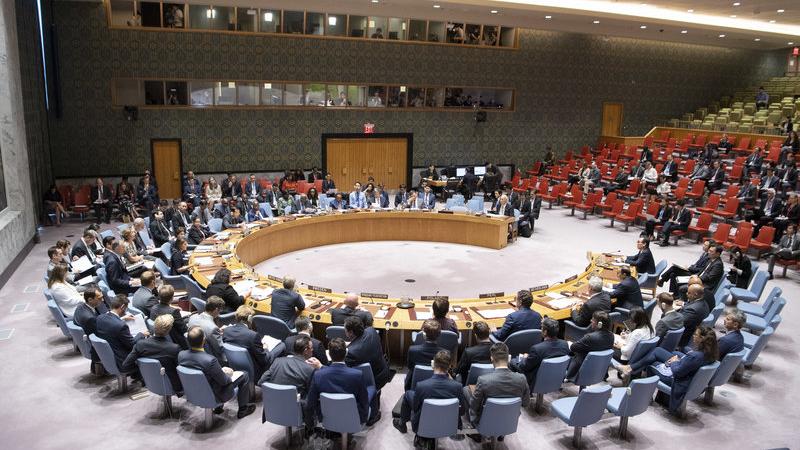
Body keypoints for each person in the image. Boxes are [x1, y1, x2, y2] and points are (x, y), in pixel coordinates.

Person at [625, 327, 718, 414]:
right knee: (658, 351)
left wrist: (674, 362)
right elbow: (689, 364)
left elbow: (677, 372)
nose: (693, 336)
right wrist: (679, 360)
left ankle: (646, 397)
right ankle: (631, 368)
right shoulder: (711, 354)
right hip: (687, 377)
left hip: (678, 381)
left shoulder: (695, 356)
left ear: (702, 339)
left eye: (695, 335)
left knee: (652, 364)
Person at [393, 350, 466, 449]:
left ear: (433, 364)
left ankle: (402, 424)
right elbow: (462, 411)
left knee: (408, 394)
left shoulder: (421, 386)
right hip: (449, 427)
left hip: (422, 425)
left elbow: (415, 408)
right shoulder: (458, 387)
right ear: (449, 366)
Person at [179, 326, 255, 418]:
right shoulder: (210, 360)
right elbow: (224, 381)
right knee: (244, 375)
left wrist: (220, 371)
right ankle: (243, 410)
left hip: (194, 392)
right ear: (203, 340)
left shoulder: (181, 355)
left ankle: (218, 408)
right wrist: (228, 373)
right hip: (214, 394)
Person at [465, 343, 529, 441]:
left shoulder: (484, 380)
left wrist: (474, 419)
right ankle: (501, 432)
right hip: (509, 421)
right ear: (508, 358)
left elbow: (474, 406)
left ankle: (475, 431)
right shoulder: (521, 379)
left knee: (466, 390)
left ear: (491, 359)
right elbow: (525, 403)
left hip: (486, 422)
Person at [305, 337, 369, 430]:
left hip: (327, 418)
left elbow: (310, 403)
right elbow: (364, 401)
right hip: (352, 417)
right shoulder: (357, 375)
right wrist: (362, 419)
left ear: (329, 354)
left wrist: (310, 424)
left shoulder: (318, 375)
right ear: (346, 353)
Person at [121, 314, 183, 393]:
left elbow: (125, 365)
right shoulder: (174, 348)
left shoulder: (140, 344)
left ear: (154, 326)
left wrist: (143, 367)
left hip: (149, 382)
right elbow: (181, 371)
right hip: (172, 385)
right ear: (169, 330)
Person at [344, 316, 387, 425]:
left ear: (350, 332)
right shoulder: (372, 331)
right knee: (377, 392)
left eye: (345, 330)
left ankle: (372, 416)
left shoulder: (351, 353)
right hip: (383, 372)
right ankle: (376, 405)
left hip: (370, 381)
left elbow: (347, 369)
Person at [510, 317, 569, 385]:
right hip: (557, 378)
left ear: (545, 332)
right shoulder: (564, 344)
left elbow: (524, 367)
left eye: (541, 328)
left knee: (512, 362)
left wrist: (524, 358)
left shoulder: (537, 349)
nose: (541, 329)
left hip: (536, 382)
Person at [257, 334, 319, 399]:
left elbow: (261, 382)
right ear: (306, 350)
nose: (313, 350)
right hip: (296, 404)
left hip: (272, 402)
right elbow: (313, 395)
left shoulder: (277, 361)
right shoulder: (310, 369)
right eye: (311, 348)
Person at [96, 294, 149, 369]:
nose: (126, 311)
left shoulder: (100, 318)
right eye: (126, 308)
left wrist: (122, 318)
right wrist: (141, 334)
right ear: (123, 307)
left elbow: (112, 324)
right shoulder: (121, 326)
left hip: (110, 356)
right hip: (124, 360)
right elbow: (132, 344)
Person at [222, 305, 271, 379]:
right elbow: (264, 360)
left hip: (234, 365)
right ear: (250, 318)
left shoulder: (226, 331)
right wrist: (266, 349)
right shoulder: (253, 335)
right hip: (255, 370)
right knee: (280, 347)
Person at [565, 311, 614, 380]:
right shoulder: (611, 336)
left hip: (583, 371)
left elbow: (573, 347)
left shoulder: (590, 337)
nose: (591, 321)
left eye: (593, 320)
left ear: (599, 324)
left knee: (566, 348)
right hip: (600, 370)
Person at [405, 320, 445, 390]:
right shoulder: (445, 353)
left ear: (423, 335)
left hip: (415, 384)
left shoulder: (413, 350)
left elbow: (410, 367)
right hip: (437, 386)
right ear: (439, 334)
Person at [148, 285, 188, 349]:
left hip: (159, 340)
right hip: (175, 342)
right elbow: (184, 329)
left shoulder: (153, 308)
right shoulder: (174, 312)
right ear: (172, 298)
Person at [187, 295, 226, 361]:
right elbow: (220, 349)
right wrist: (222, 336)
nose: (219, 313)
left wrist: (217, 333)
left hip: (193, 353)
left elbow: (205, 329)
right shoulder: (213, 328)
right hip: (211, 358)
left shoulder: (192, 318)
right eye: (220, 311)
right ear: (216, 310)